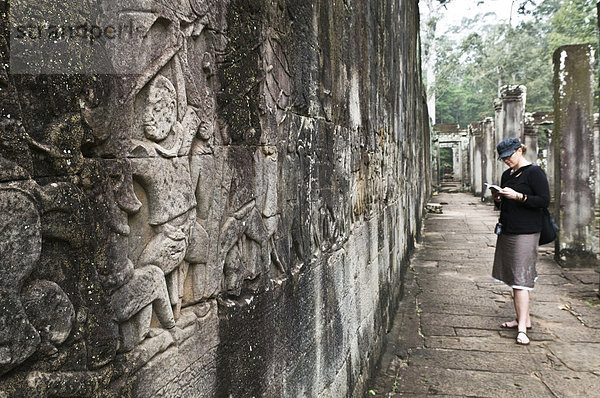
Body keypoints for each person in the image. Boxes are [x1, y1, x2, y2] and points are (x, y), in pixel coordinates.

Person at [490, 137, 550, 345]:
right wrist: (498, 198)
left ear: (519, 151)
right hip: (508, 229)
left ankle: (523, 329)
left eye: (508, 156)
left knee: (520, 281)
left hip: (526, 231)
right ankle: (524, 318)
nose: (506, 160)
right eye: (503, 158)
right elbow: (504, 205)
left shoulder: (534, 172)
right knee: (513, 276)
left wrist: (519, 197)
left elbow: (543, 200)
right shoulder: (508, 174)